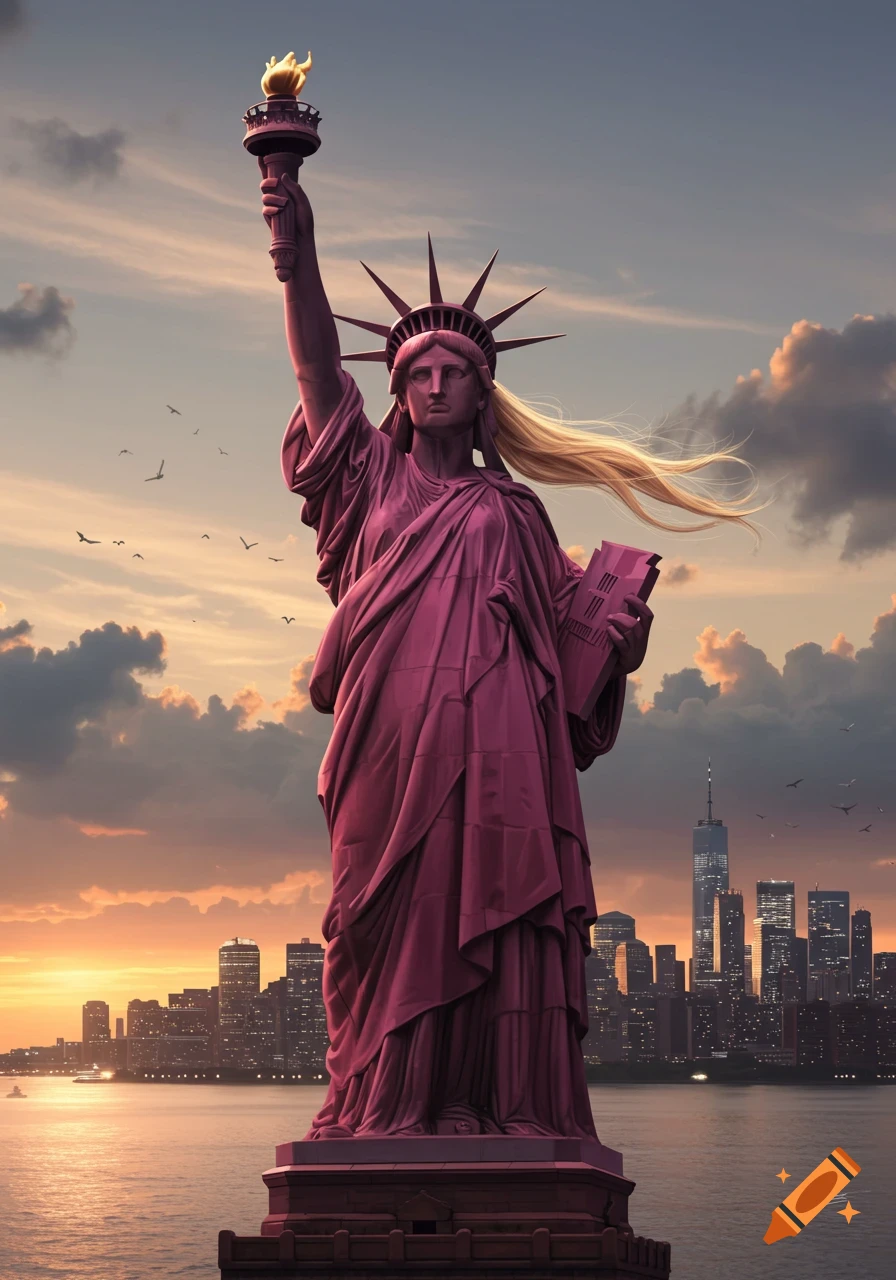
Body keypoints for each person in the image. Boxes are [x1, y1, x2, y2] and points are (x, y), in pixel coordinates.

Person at [262, 172, 763, 1140]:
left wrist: (619, 629)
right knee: (377, 925)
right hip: (387, 751)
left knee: (494, 919)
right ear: (399, 396)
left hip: (498, 770)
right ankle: (381, 1104)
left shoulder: (514, 514)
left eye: (452, 370)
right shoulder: (368, 484)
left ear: (480, 394)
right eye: (416, 373)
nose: (433, 383)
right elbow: (317, 375)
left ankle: (482, 1103)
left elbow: (570, 662)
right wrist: (293, 244)